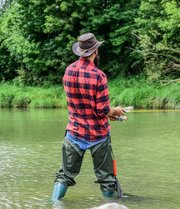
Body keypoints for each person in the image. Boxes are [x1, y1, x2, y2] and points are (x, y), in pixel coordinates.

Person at [51, 32, 126, 201]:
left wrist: (107, 113)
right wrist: (116, 111)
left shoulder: (68, 70)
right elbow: (103, 110)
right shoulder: (99, 75)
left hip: (74, 132)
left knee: (64, 175)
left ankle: (53, 204)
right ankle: (110, 205)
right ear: (96, 51)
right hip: (98, 135)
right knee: (106, 180)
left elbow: (83, 104)